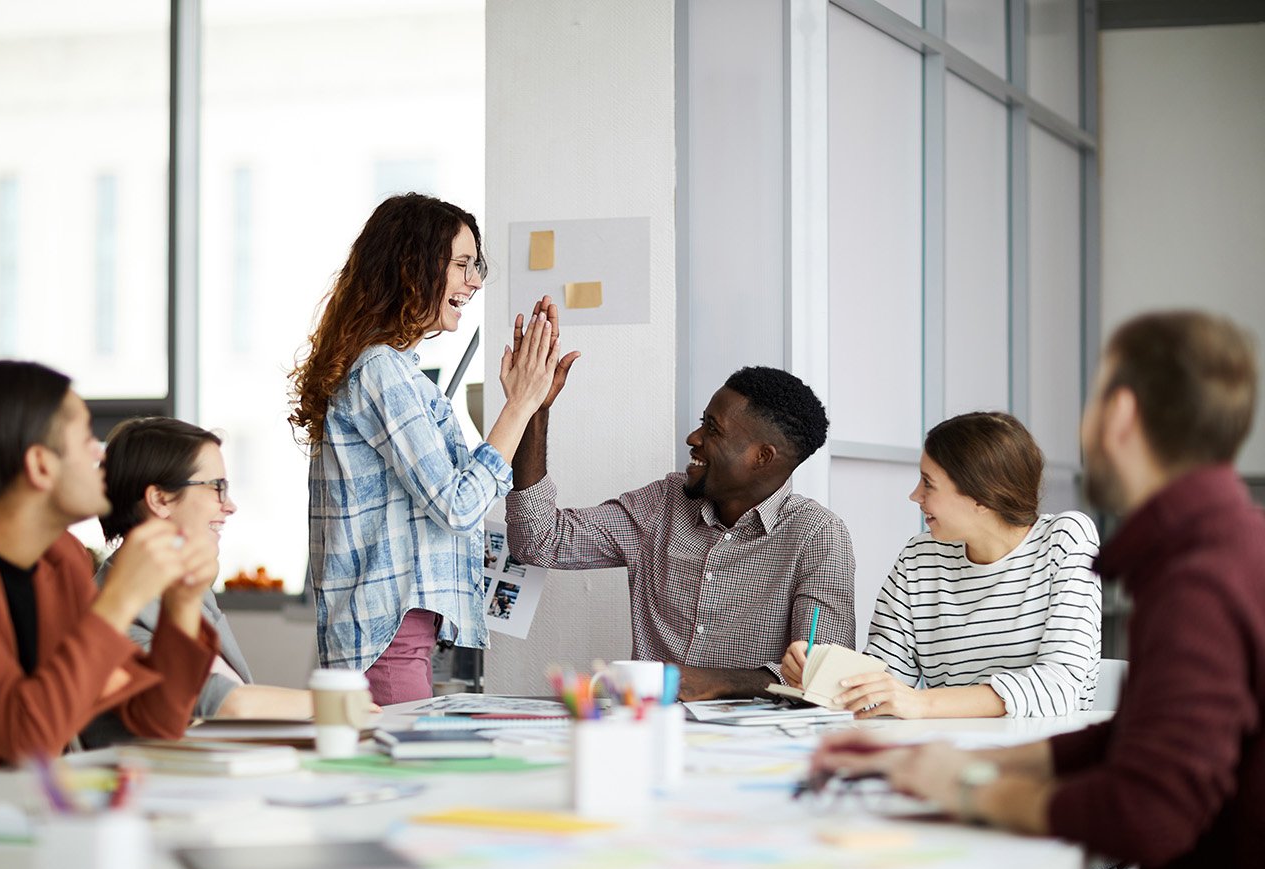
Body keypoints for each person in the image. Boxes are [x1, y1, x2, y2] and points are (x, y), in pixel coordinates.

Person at [810, 311, 1265, 869]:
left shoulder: (1199, 579)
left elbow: (1147, 812)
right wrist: (957, 764)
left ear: (1120, 414)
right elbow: (1130, 736)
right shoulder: (1224, 547)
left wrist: (967, 788)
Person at [289, 193, 569, 704]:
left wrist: (525, 404)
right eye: (462, 265)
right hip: (386, 642)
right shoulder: (381, 370)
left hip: (397, 638)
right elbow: (458, 506)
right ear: (412, 270)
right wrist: (517, 407)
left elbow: (459, 494)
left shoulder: (396, 372)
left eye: (476, 265)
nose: (476, 281)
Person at [505, 298, 856, 701]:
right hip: (649, 731)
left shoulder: (817, 536)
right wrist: (532, 408)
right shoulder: (665, 503)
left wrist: (722, 681)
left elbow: (824, 673)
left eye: (713, 429)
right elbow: (538, 541)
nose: (693, 438)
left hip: (756, 748)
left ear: (762, 457)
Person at [0, 361, 219, 767]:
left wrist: (182, 603)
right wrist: (118, 600)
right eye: (84, 440)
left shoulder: (60, 559)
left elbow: (155, 721)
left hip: (31, 808)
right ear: (41, 465)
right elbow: (24, 736)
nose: (100, 453)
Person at [781, 412, 1102, 719]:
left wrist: (922, 703)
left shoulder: (1065, 538)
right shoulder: (919, 557)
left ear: (982, 496)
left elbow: (1061, 686)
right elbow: (885, 678)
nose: (914, 495)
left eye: (928, 483)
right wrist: (821, 674)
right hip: (946, 752)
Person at [95, 417, 341, 722]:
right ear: (160, 499)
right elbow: (224, 704)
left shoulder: (189, 591)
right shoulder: (113, 611)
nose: (230, 506)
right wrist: (336, 702)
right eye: (217, 487)